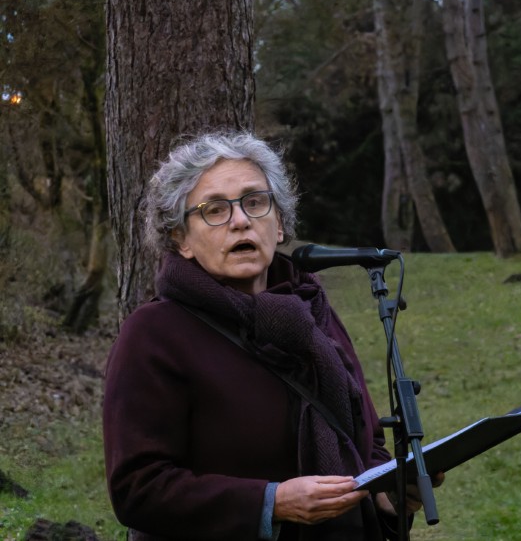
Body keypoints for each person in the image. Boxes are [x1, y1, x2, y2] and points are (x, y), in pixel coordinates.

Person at [103, 131, 431, 541]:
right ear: (180, 239)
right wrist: (271, 503)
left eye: (255, 202)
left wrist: (389, 495)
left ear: (279, 225)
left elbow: (366, 441)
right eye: (214, 210)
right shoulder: (155, 334)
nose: (240, 220)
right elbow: (138, 489)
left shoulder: (311, 310)